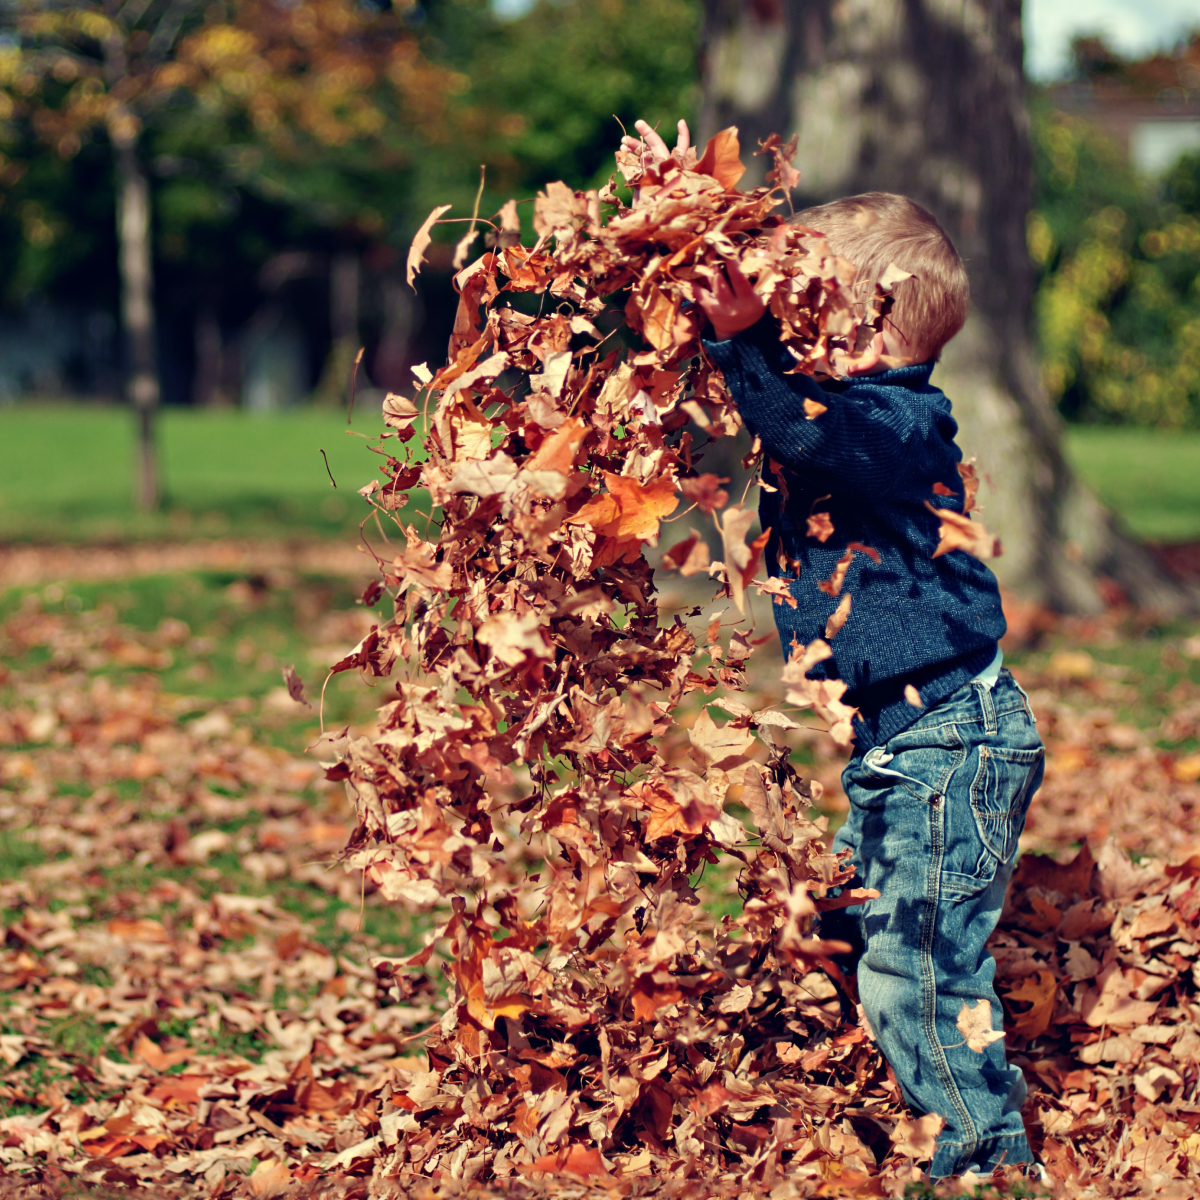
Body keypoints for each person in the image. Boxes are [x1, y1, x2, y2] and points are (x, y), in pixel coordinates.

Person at [623, 119, 1045, 1179]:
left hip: (951, 742)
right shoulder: (844, 406)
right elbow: (782, 411)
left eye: (808, 307)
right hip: (905, 748)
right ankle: (917, 1088)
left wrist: (745, 342)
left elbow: (803, 429)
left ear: (867, 326)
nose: (788, 327)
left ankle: (987, 1161)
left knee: (917, 967)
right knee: (853, 927)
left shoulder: (900, 423)